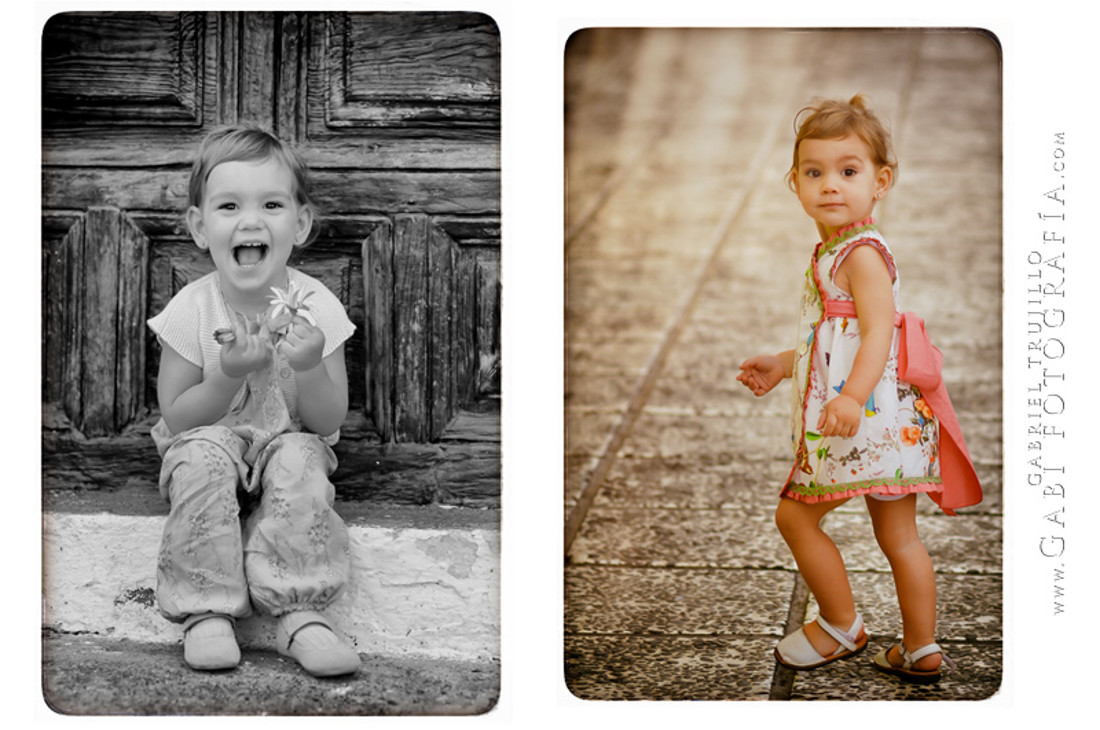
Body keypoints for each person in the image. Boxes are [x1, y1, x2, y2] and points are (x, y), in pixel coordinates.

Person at [737, 94, 981, 684]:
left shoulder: (861, 256)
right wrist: (782, 362)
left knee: (795, 518)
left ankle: (841, 624)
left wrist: (847, 396)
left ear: (881, 181)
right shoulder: (834, 251)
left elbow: (876, 336)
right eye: (815, 172)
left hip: (865, 417)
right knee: (899, 534)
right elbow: (833, 338)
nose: (829, 185)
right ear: (794, 182)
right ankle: (921, 648)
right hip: (888, 423)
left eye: (848, 172)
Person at [147, 124, 361, 677]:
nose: (250, 220)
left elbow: (328, 420)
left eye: (271, 203)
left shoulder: (315, 306)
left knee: (303, 459)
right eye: (228, 205)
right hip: (209, 444)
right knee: (198, 457)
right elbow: (177, 417)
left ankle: (301, 611)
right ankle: (206, 612)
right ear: (200, 227)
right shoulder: (192, 309)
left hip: (285, 442)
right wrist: (223, 378)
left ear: (301, 222)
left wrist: (310, 366)